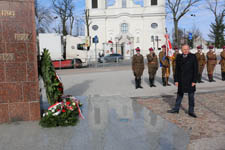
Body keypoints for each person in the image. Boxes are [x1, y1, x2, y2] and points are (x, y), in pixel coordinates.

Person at [167, 44, 198, 118]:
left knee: (191, 96)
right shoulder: (179, 57)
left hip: (190, 80)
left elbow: (196, 69)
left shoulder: (193, 57)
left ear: (189, 49)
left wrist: (194, 81)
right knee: (179, 95)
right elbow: (176, 69)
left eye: (187, 49)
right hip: (181, 79)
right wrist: (176, 80)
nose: (186, 50)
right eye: (184, 49)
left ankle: (191, 111)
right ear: (181, 50)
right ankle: (176, 109)